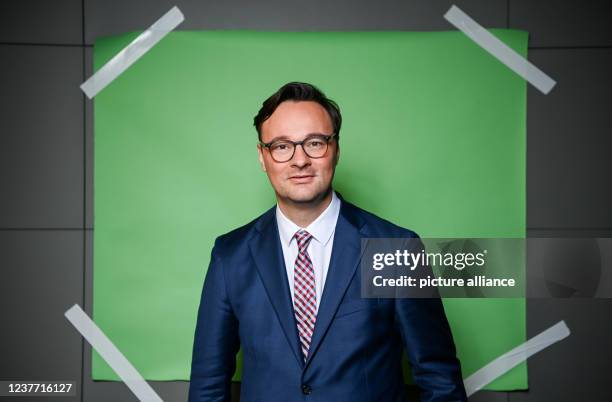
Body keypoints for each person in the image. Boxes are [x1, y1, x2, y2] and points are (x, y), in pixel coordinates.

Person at [188, 82, 467, 402]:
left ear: (335, 148)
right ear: (262, 157)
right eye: (281, 146)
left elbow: (439, 378)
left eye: (315, 143)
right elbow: (207, 385)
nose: (300, 160)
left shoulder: (396, 248)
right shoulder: (230, 255)